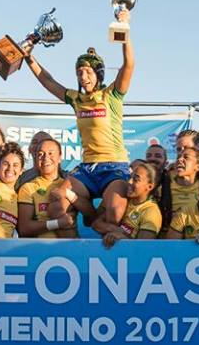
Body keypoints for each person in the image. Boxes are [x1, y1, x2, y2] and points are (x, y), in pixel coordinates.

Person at [24, 33, 134, 218]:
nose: (83, 77)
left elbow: (128, 65)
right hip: (88, 168)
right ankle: (92, 216)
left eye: (88, 72)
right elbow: (47, 81)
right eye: (79, 72)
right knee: (57, 204)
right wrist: (28, 57)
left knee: (114, 213)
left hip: (114, 167)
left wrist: (125, 31)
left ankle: (95, 218)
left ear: (99, 74)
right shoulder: (76, 99)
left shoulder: (111, 95)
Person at [17, 138, 80, 239]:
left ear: (60, 157)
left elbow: (90, 216)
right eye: (40, 154)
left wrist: (68, 194)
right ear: (36, 159)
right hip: (41, 247)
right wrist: (57, 223)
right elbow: (24, 229)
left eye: (51, 153)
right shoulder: (28, 188)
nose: (46, 158)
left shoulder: (70, 184)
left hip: (70, 246)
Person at [97, 162, 162, 247]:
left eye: (136, 179)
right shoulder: (123, 198)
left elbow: (143, 248)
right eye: (130, 177)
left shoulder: (151, 212)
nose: (129, 182)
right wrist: (116, 230)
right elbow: (96, 224)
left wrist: (123, 238)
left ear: (149, 187)